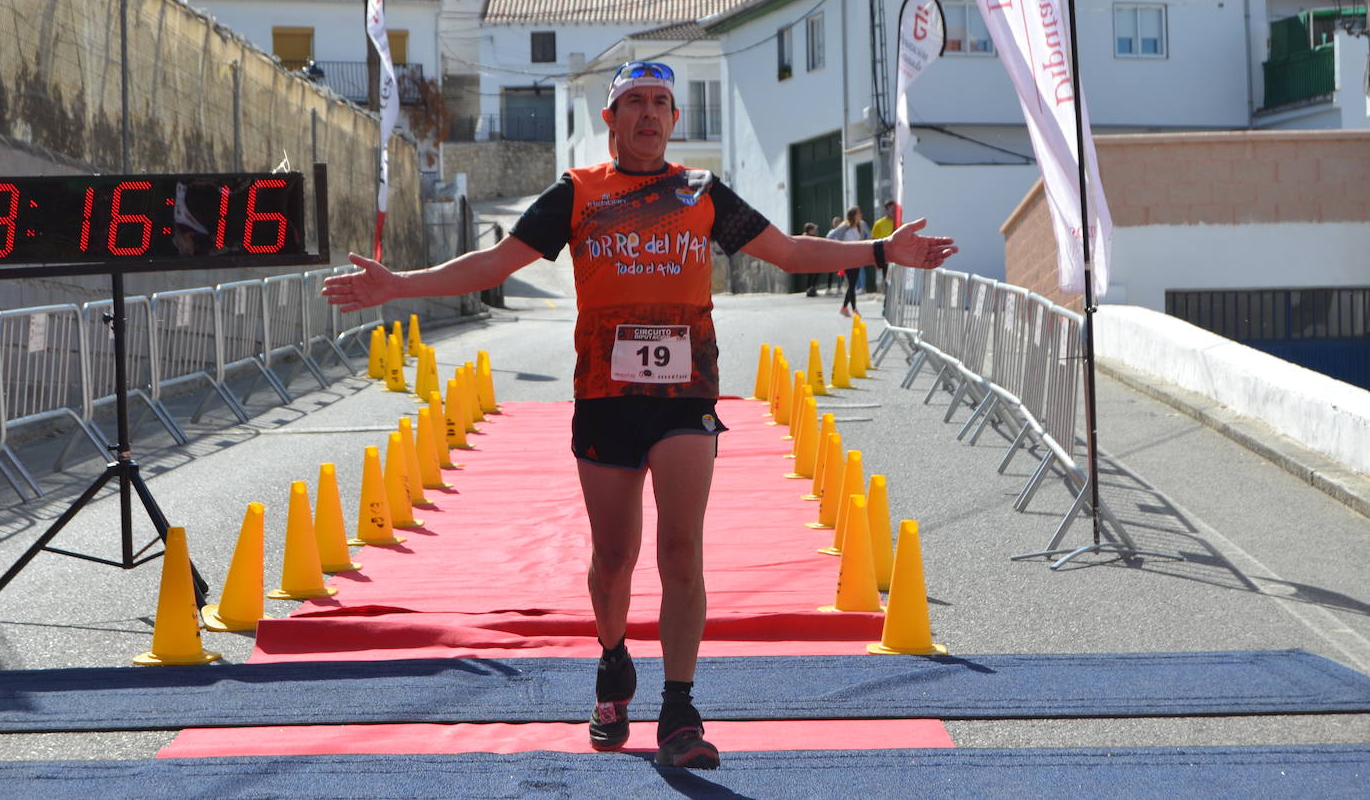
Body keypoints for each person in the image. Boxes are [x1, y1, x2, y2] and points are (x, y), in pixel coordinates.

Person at [321, 61, 957, 770]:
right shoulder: (578, 194)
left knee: (682, 551)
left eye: (661, 103)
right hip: (605, 399)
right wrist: (398, 285)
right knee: (614, 559)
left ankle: (681, 712)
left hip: (686, 396)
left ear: (674, 120)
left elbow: (786, 251)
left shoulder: (701, 191)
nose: (650, 114)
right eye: (635, 103)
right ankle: (613, 660)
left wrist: (879, 252)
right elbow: (496, 264)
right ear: (611, 119)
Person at [829, 206, 870, 317]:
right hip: (846, 258)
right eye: (858, 213)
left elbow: (865, 238)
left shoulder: (860, 226)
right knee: (852, 284)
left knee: (852, 284)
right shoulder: (844, 227)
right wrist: (838, 247)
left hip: (856, 258)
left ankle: (844, 308)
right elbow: (831, 236)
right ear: (853, 215)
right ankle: (854, 309)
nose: (861, 214)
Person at [870, 199, 899, 292]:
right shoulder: (878, 224)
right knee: (888, 281)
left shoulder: (899, 223)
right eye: (891, 210)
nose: (893, 212)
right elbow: (873, 242)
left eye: (895, 210)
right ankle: (887, 302)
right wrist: (875, 260)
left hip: (897, 258)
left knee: (897, 281)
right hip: (885, 257)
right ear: (885, 210)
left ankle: (895, 302)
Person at [798, 222, 820, 296]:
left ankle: (812, 288)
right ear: (809, 230)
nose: (814, 230)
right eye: (813, 229)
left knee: (817, 272)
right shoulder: (805, 238)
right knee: (810, 274)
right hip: (808, 259)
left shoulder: (813, 236)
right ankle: (809, 289)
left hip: (814, 258)